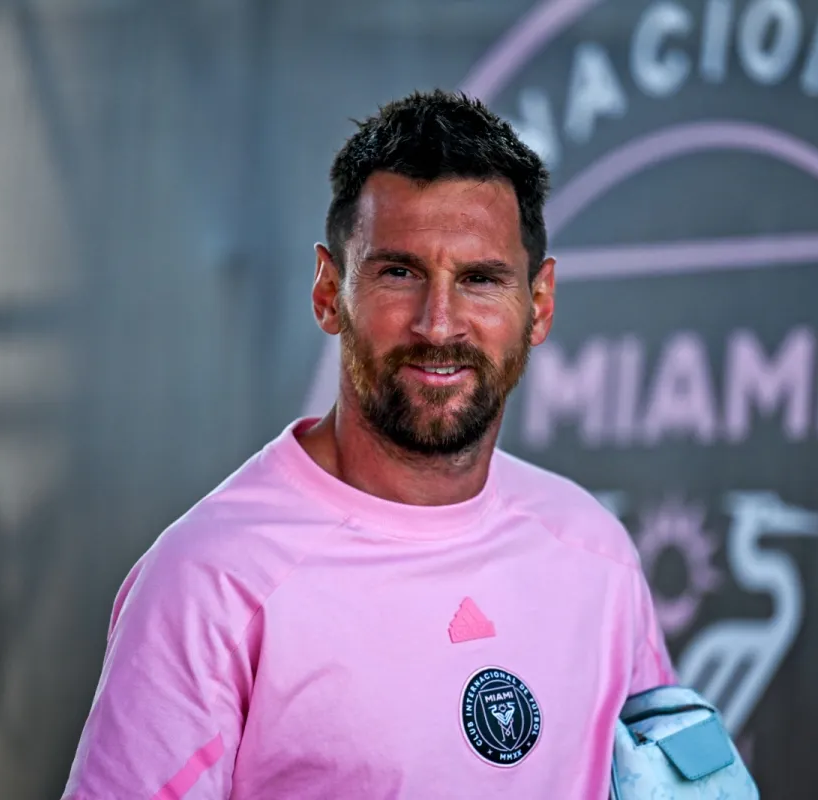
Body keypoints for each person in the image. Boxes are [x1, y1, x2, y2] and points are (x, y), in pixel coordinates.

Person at [62, 89, 674, 800]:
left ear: (537, 305)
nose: (439, 324)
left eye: (480, 279)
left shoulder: (594, 553)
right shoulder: (210, 581)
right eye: (399, 273)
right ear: (329, 292)